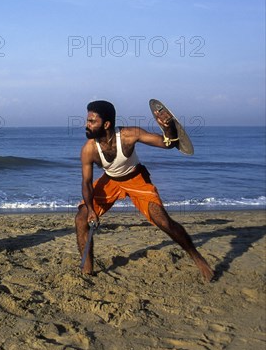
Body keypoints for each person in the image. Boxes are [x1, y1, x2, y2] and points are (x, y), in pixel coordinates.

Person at [75, 100, 214, 282]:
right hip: (110, 181)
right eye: (87, 120)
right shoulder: (89, 150)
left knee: (163, 221)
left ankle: (198, 259)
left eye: (92, 121)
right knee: (81, 217)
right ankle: (87, 270)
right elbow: (86, 183)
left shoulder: (128, 135)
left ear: (106, 124)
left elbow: (168, 144)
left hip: (136, 179)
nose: (87, 125)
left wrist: (168, 128)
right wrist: (91, 210)